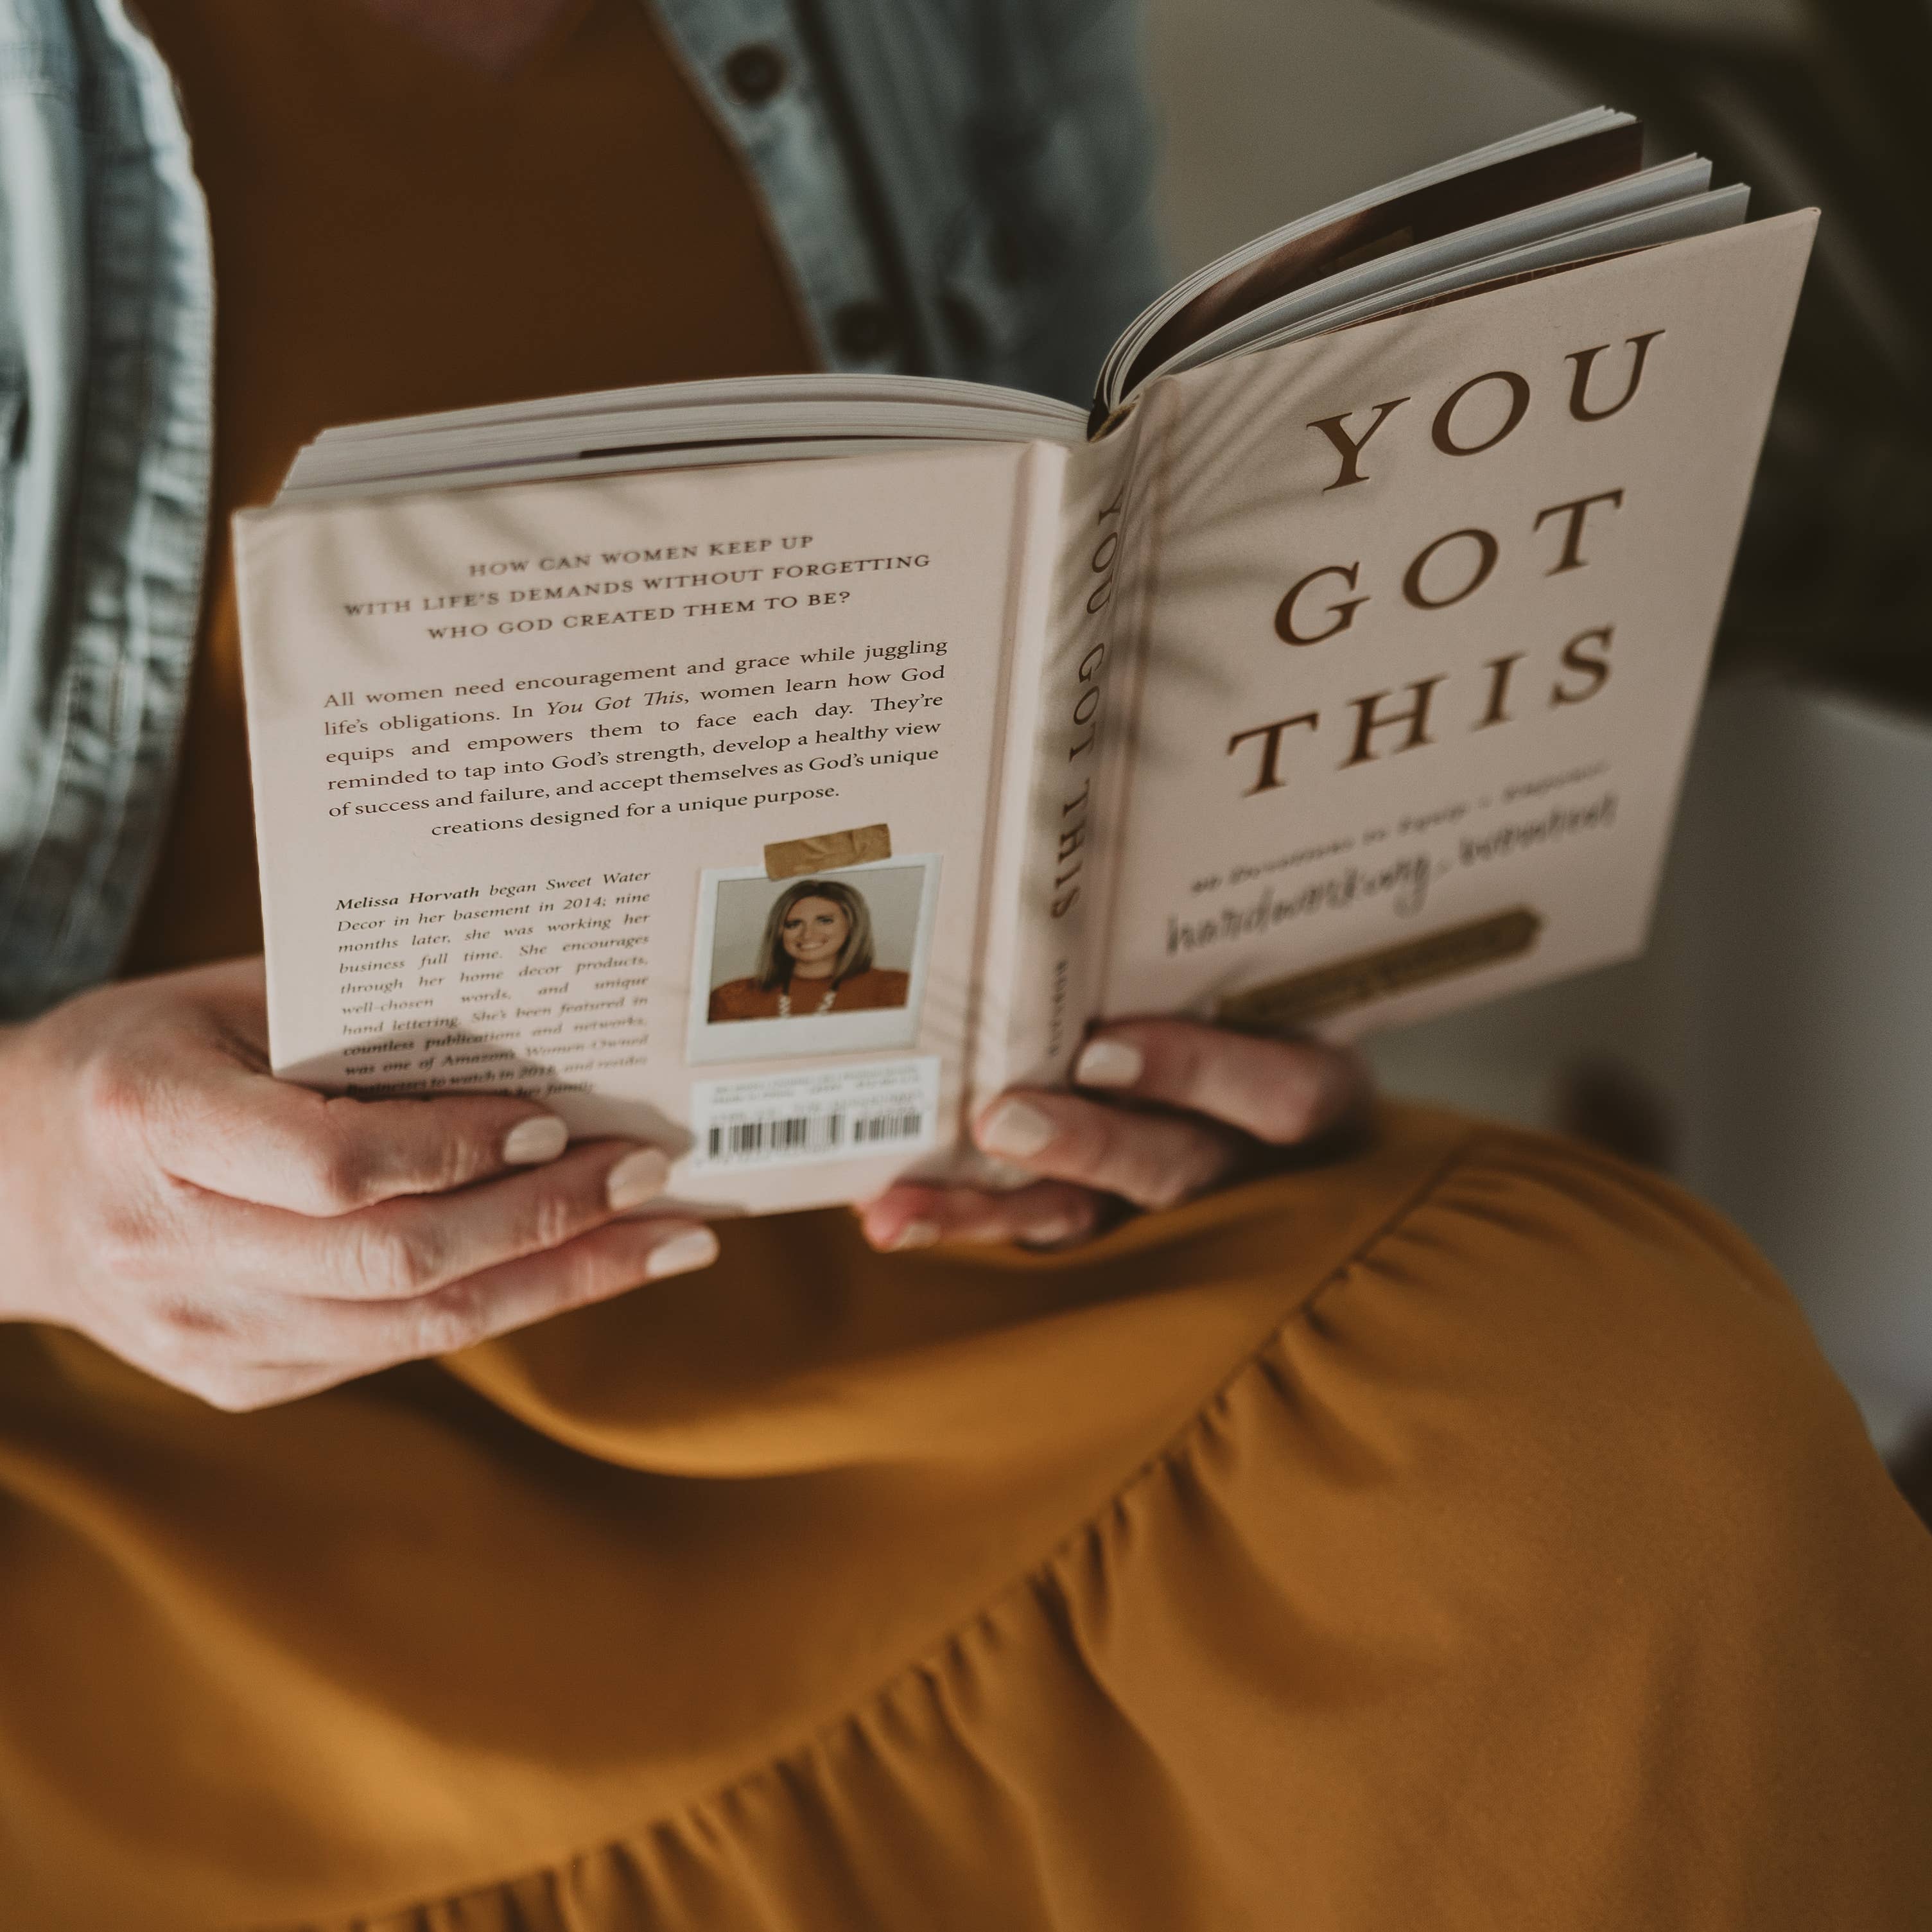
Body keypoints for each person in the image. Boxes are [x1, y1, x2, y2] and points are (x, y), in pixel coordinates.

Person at [0, 3, 1928, 1927]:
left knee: (1649, 1441)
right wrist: (39, 1189)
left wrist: (1203, 1011)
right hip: (180, 1437)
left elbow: (1103, 625)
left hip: (921, 1253)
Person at [708, 878, 911, 1022]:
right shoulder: (731, 998)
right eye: (793, 924)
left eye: (824, 921)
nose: (807, 935)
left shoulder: (897, 990)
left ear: (852, 926)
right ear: (779, 933)